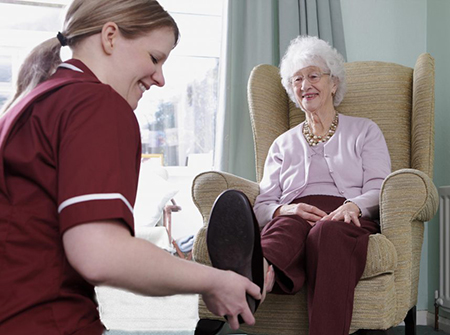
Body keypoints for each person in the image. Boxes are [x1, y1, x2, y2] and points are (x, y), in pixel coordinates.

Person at [0, 1, 261, 334]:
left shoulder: (31, 102)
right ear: (110, 36)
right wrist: (214, 281)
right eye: (155, 58)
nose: (161, 78)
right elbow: (100, 253)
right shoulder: (96, 104)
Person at [207, 35, 391, 335]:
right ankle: (254, 276)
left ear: (333, 83)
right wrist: (284, 209)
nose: (305, 84)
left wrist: (352, 205)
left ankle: (249, 284)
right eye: (297, 79)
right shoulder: (283, 144)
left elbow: (380, 189)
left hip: (346, 219)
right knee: (287, 225)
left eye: (314, 75)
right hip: (296, 216)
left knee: (326, 233)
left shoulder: (364, 131)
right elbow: (264, 204)